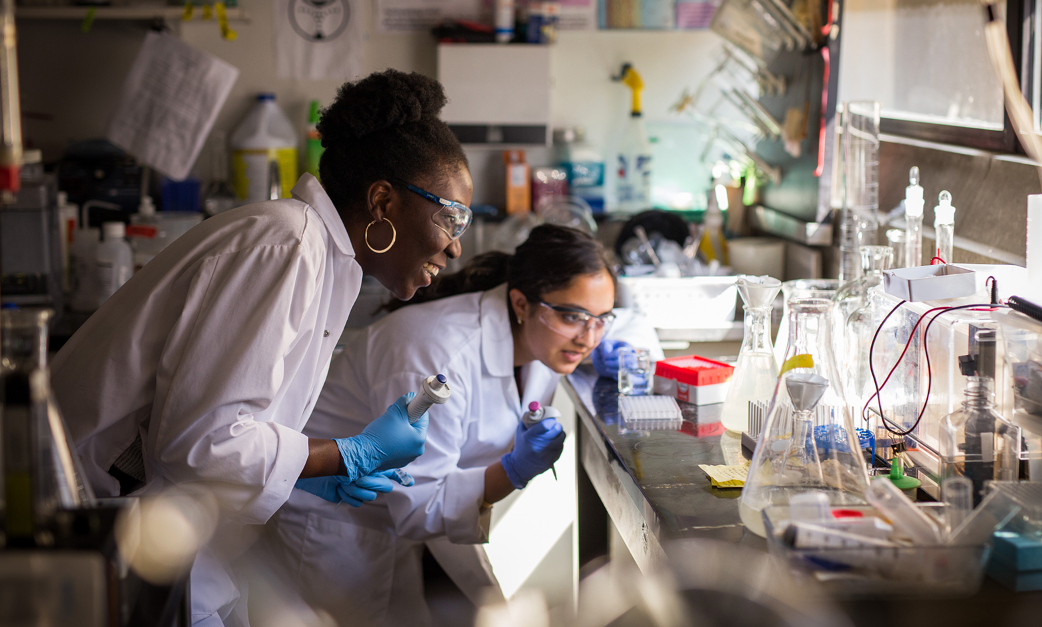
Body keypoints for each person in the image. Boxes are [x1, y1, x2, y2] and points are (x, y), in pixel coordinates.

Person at [50, 70, 472, 627]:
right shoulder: (287, 243)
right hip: (92, 524)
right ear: (382, 202)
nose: (457, 245)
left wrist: (307, 469)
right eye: (452, 217)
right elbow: (200, 441)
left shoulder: (324, 258)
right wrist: (343, 455)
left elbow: (223, 425)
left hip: (161, 531)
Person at [260, 225, 662, 626]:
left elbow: (629, 322)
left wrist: (625, 349)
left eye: (600, 319)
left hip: (400, 515)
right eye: (574, 317)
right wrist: (511, 472)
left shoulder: (546, 329)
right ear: (521, 304)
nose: (589, 338)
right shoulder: (439, 357)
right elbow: (419, 505)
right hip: (334, 521)